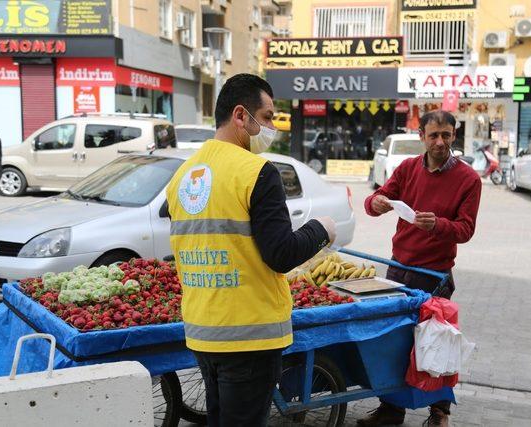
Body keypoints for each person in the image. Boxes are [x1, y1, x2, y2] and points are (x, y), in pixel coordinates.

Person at [166, 74, 336, 427]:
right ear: (241, 115)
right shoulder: (257, 171)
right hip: (249, 336)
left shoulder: (183, 175)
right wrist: (322, 230)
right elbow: (282, 254)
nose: (272, 126)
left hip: (202, 331)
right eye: (269, 116)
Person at [359, 110, 482, 427]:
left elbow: (465, 230)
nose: (440, 142)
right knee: (394, 342)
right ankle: (391, 408)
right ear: (422, 137)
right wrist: (376, 204)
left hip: (436, 275)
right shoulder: (407, 168)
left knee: (437, 344)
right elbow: (376, 199)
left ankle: (439, 412)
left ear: (455, 136)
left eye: (446, 135)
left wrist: (438, 225)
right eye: (433, 135)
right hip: (398, 269)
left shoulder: (468, 179)